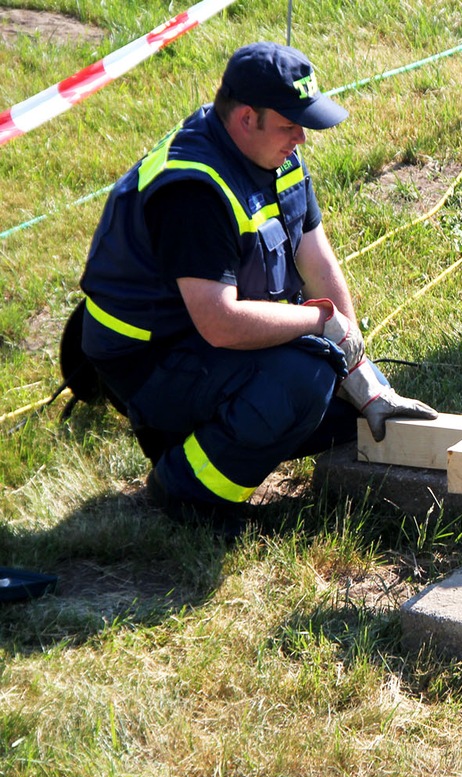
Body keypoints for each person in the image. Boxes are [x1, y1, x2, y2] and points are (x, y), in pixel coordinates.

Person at [76, 42, 436, 534]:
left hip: (199, 339)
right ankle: (186, 491)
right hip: (150, 358)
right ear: (247, 118)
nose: (302, 140)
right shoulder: (194, 190)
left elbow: (317, 259)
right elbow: (219, 322)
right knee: (301, 384)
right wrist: (322, 323)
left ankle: (211, 438)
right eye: (290, 125)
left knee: (335, 400)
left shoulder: (272, 154)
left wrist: (363, 377)